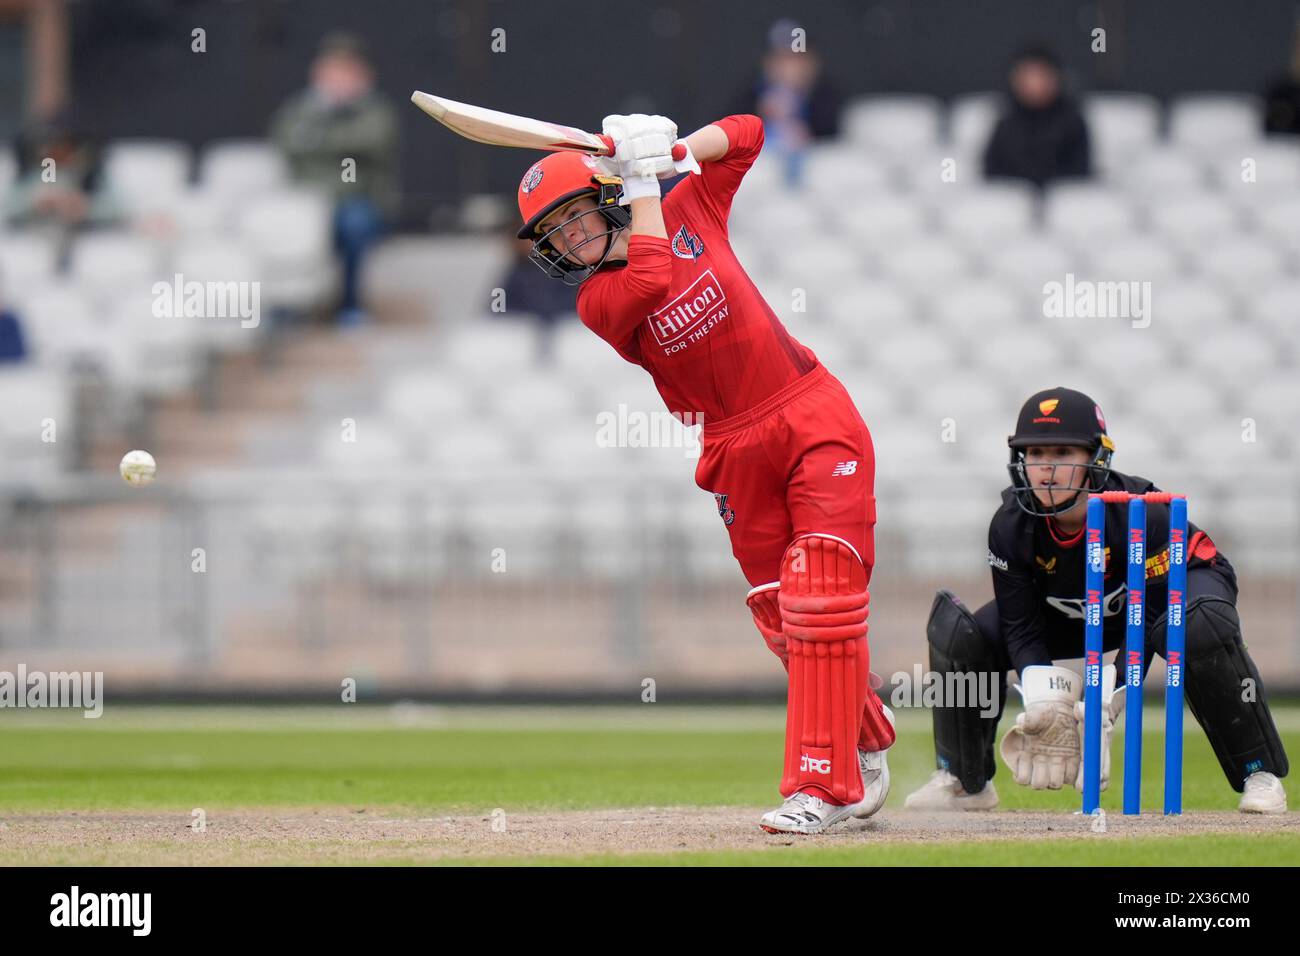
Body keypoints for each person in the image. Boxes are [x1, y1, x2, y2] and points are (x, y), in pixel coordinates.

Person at [514, 113, 895, 834]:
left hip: (808, 410)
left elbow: (749, 133)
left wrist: (675, 150)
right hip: (729, 445)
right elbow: (652, 270)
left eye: (571, 220)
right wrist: (642, 180)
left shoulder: (691, 206)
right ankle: (866, 737)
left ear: (601, 197)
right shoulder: (598, 301)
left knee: (820, 586)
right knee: (782, 616)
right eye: (554, 235)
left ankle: (822, 788)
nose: (567, 240)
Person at [905, 387, 1289, 814]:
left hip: (1174, 593)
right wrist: (1046, 700)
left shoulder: (1143, 515)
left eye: (1063, 452)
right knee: (961, 635)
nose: (1046, 468)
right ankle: (964, 781)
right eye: (1033, 453)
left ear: (1096, 460)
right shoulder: (1010, 526)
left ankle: (1260, 775)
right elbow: (1020, 625)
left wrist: (1108, 701)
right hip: (1073, 609)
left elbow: (1150, 618)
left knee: (1199, 626)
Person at [270, 32, 398, 325]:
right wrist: (323, 121)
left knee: (355, 224)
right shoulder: (302, 107)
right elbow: (285, 138)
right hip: (304, 202)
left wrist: (319, 136)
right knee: (283, 226)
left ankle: (350, 303)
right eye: (332, 70)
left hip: (353, 201)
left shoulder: (374, 110)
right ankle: (288, 306)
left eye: (347, 70)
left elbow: (370, 141)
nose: (338, 78)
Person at [982, 46, 1091, 189]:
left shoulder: (1073, 123)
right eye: (1028, 76)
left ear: (1056, 78)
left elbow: (1078, 171)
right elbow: (992, 171)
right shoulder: (1005, 123)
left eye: (1041, 75)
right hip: (1012, 202)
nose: (1035, 84)